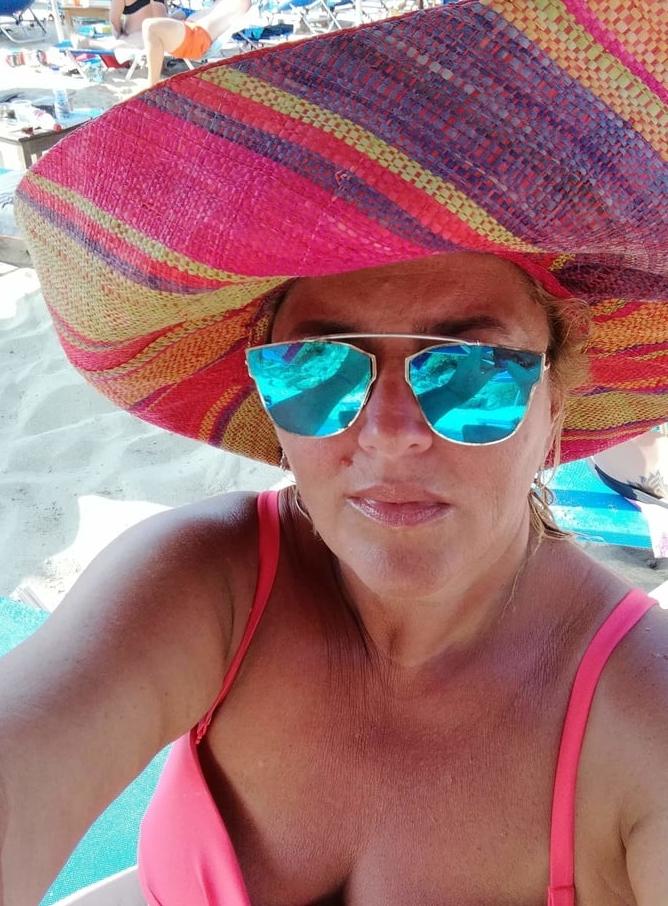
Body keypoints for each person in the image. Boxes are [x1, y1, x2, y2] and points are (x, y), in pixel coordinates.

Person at [5, 0, 668, 904]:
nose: (390, 432)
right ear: (269, 402)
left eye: (470, 372)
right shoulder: (202, 585)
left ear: (555, 402)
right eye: (319, 371)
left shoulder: (644, 715)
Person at [141, 0, 252, 85]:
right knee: (151, 21)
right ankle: (152, 82)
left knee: (150, 25)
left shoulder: (240, 2)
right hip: (191, 31)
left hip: (197, 38)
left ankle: (152, 85)